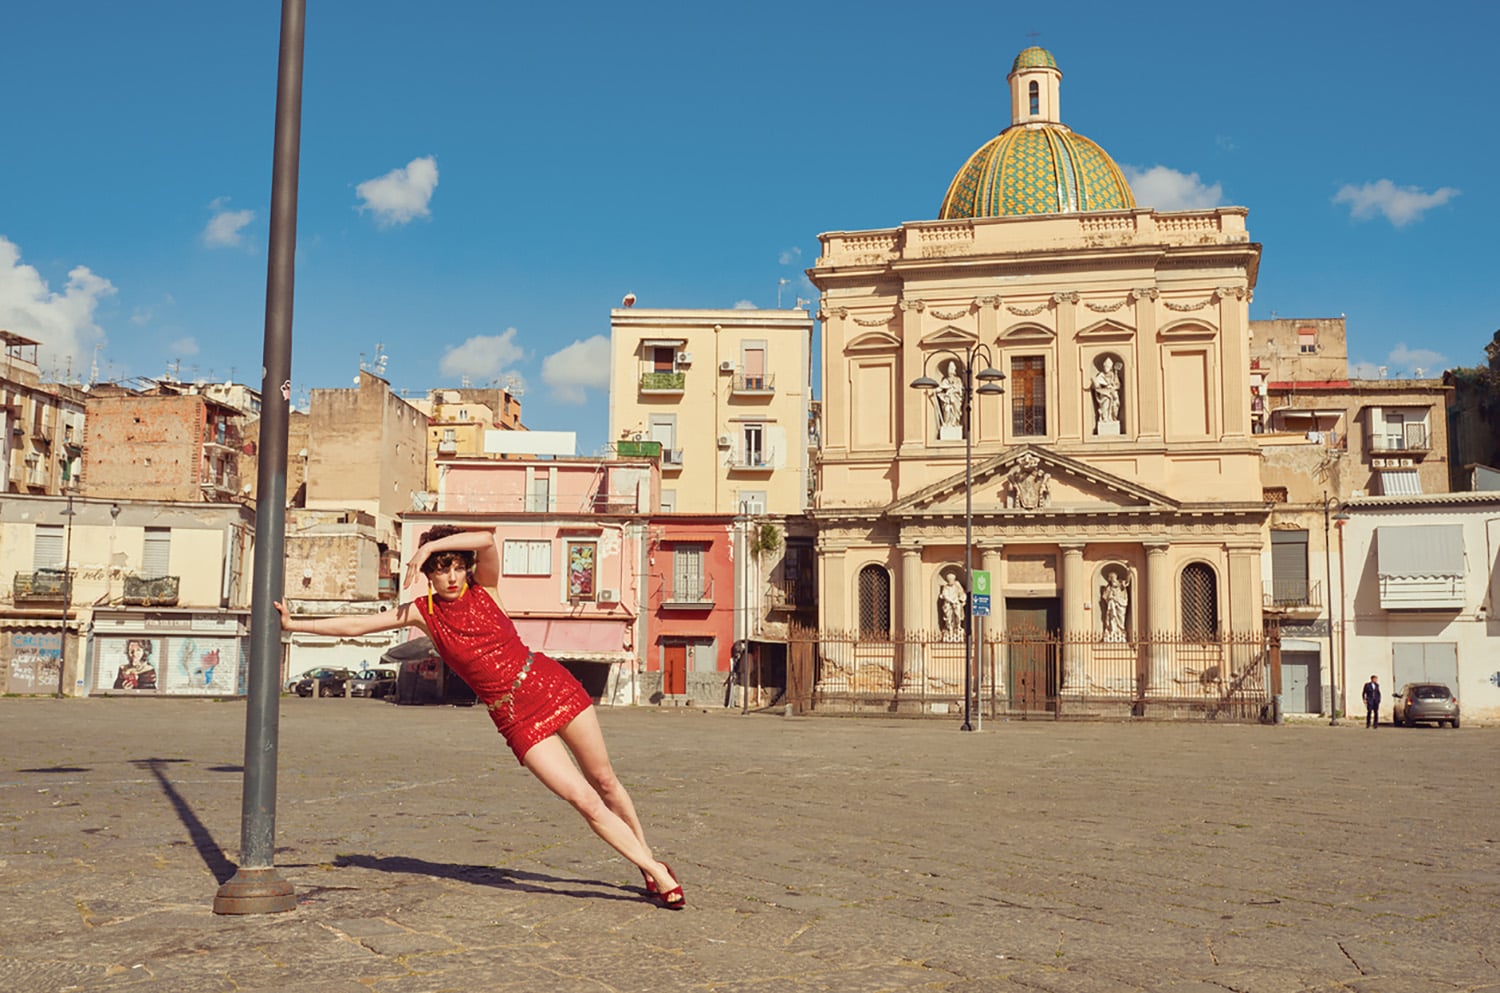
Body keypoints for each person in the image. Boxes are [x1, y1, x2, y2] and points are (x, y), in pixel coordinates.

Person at [274, 524, 684, 909]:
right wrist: (296, 625)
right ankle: (657, 872)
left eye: (455, 566)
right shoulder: (424, 612)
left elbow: (487, 540)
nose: (451, 577)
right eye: (440, 570)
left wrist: (432, 545)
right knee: (583, 799)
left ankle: (645, 861)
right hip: (513, 717)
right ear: (428, 577)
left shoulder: (485, 587)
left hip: (548, 684)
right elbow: (359, 624)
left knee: (606, 781)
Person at [1092, 356, 1121, 428]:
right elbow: (1096, 386)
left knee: (1114, 405)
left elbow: (1118, 385)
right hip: (1104, 394)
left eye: (1107, 366)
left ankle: (1112, 417)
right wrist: (1097, 384)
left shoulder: (1113, 375)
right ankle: (1105, 418)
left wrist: (1112, 386)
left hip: (1112, 393)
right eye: (1105, 366)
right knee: (1105, 406)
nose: (1106, 368)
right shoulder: (1101, 375)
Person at [935, 360, 964, 431]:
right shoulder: (945, 380)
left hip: (955, 400)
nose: (950, 371)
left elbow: (960, 388)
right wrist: (936, 390)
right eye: (949, 369)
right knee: (947, 410)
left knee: (955, 412)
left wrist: (954, 389)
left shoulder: (958, 379)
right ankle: (947, 423)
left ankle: (955, 423)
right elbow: (940, 388)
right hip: (947, 400)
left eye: (951, 369)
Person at [1101, 572, 1129, 642]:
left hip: (1120, 604)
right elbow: (1105, 596)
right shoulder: (1108, 587)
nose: (1112, 579)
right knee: (1111, 618)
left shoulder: (1120, 584)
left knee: (1121, 618)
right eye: (1111, 577)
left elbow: (1127, 582)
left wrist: (1129, 572)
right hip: (1112, 605)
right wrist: (1110, 598)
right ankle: (1112, 631)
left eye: (1113, 577)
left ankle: (1121, 631)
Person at [939, 570, 966, 641]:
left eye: (952, 579)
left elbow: (962, 594)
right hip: (948, 604)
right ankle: (949, 628)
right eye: (949, 579)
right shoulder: (945, 587)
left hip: (956, 603)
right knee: (948, 617)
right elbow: (945, 595)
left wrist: (961, 599)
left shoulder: (957, 585)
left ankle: (958, 627)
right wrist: (951, 601)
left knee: (958, 614)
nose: (950, 580)